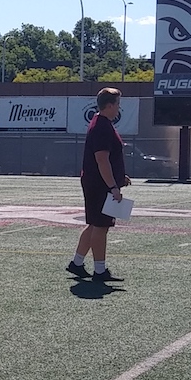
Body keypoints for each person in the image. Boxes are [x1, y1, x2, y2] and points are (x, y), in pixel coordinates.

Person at [66, 87, 129, 282]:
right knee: (101, 226)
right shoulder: (102, 126)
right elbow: (102, 159)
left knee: (94, 224)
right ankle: (100, 271)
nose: (119, 108)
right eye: (117, 104)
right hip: (99, 184)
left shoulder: (101, 123)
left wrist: (119, 177)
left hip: (97, 182)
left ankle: (76, 263)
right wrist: (113, 186)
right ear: (109, 105)